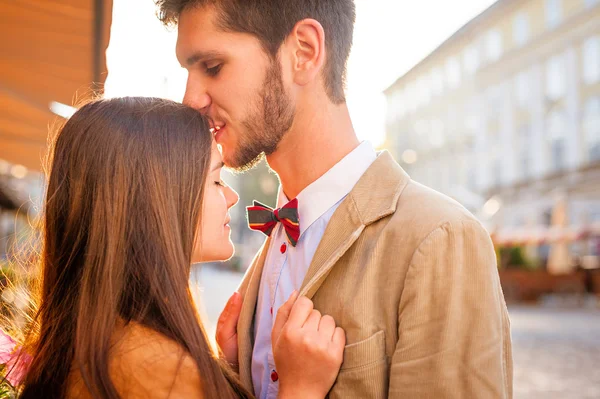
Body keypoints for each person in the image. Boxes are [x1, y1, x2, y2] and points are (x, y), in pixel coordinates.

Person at [157, 0, 514, 397]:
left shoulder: (440, 239)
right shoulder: (268, 250)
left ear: (304, 52)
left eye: (212, 67)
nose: (191, 99)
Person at [18, 97, 345, 399]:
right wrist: (301, 388)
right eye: (216, 181)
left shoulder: (109, 341)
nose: (231, 197)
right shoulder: (155, 369)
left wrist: (224, 371)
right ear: (156, 200)